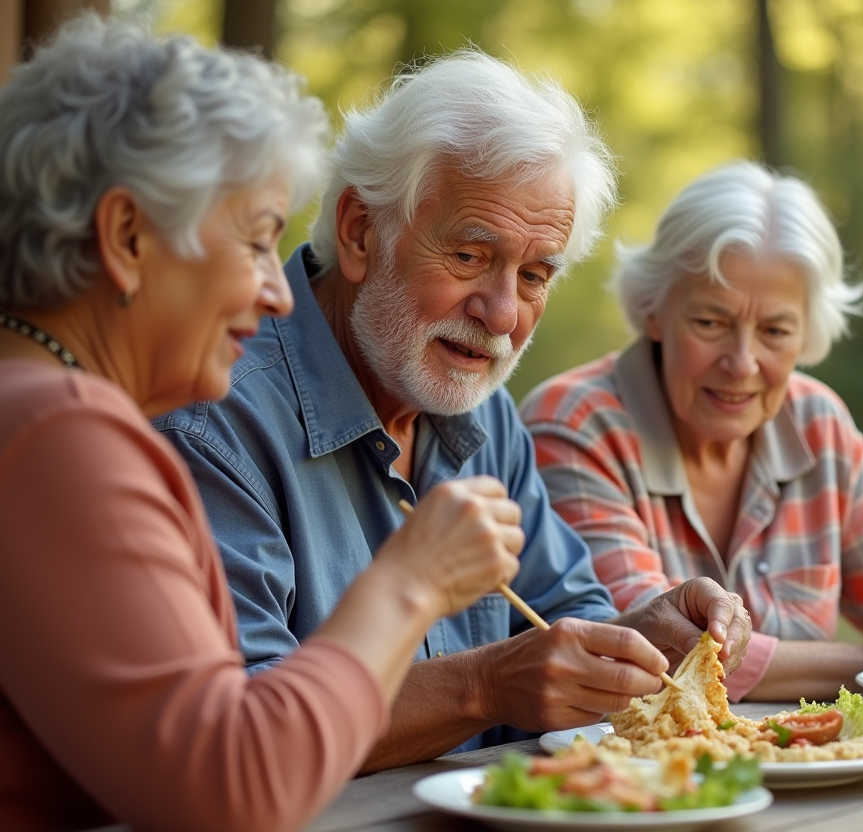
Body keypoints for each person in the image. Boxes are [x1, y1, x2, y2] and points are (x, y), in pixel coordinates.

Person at [153, 48, 750, 771]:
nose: (502, 315)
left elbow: (561, 617)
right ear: (359, 233)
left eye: (535, 275)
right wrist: (484, 686)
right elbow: (241, 736)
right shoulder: (213, 416)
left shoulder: (482, 407)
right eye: (470, 256)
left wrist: (639, 639)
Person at [0, 17, 525, 832]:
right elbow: (231, 784)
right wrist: (411, 581)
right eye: (254, 242)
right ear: (128, 237)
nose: (279, 292)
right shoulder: (57, 432)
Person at [520, 160, 863, 703]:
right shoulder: (576, 422)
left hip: (803, 771)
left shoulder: (817, 424)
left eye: (775, 330)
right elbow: (652, 648)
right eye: (711, 323)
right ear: (655, 312)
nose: (742, 362)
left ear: (807, 334)